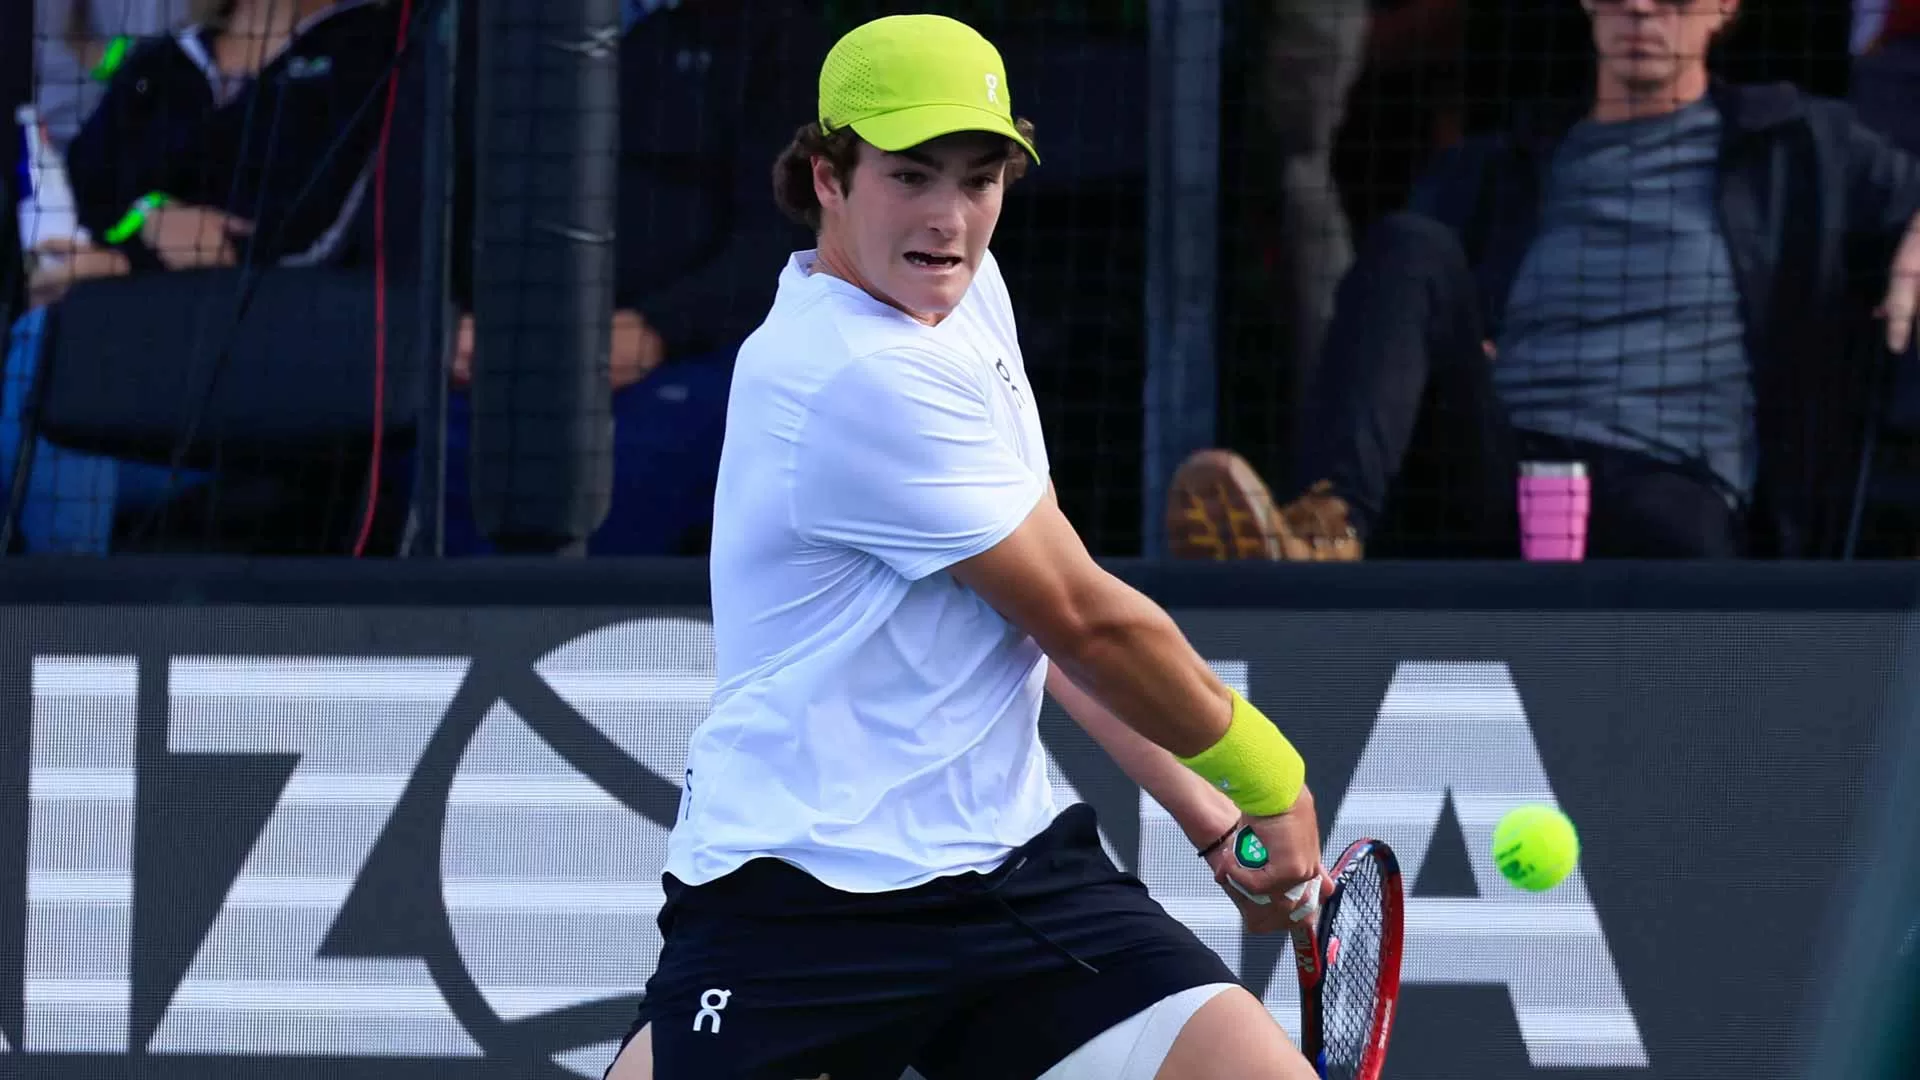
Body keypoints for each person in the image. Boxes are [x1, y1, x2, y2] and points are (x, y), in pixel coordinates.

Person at [607, 14, 1328, 1080]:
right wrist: (1269, 779)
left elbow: (1043, 612)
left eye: (979, 180)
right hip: (802, 897)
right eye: (911, 176)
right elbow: (1088, 620)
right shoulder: (854, 372)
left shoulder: (964, 294)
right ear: (829, 178)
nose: (948, 218)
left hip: (1010, 876)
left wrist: (1208, 816)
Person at [1172, 0, 1920, 562]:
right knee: (1407, 244)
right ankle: (1325, 531)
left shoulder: (1799, 145)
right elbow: (1398, 315)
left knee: (1672, 535)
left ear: (1724, 7)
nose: (1642, 9)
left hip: (1674, 485)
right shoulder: (1500, 165)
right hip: (1500, 467)